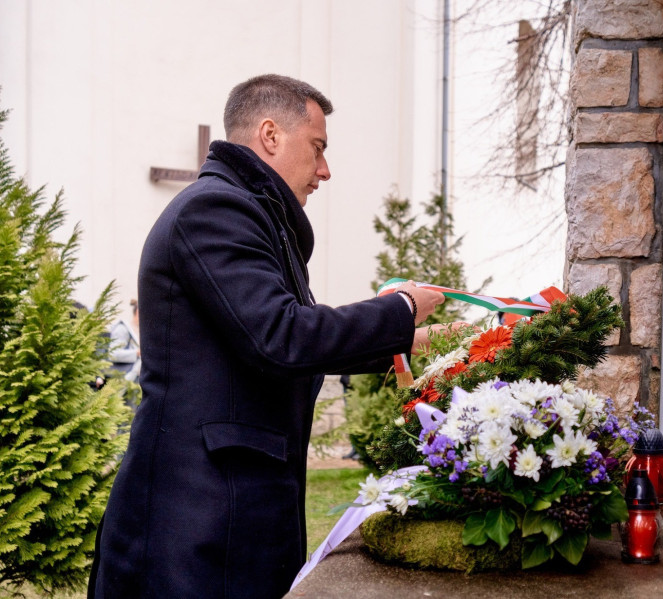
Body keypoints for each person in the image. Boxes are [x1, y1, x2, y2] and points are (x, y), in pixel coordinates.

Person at [88, 74, 445, 599]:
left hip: (232, 512)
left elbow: (282, 336)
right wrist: (401, 308)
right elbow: (282, 337)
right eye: (318, 147)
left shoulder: (250, 214)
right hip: (193, 526)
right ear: (271, 135)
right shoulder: (215, 210)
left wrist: (411, 341)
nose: (325, 170)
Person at [107, 298, 141, 384]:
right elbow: (113, 354)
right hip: (123, 379)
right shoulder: (122, 329)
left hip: (137, 380)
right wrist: (137, 353)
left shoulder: (142, 331)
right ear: (138, 312)